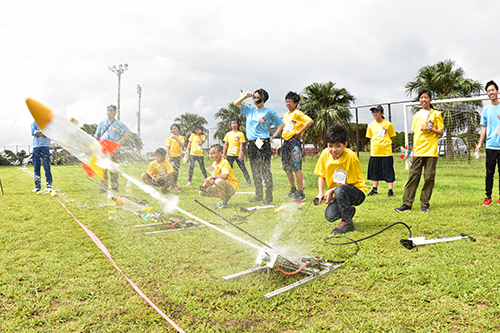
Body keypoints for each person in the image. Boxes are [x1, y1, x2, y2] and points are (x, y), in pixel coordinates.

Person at [395, 88, 444, 213]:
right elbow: (416, 134)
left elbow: (441, 132)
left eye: (426, 97)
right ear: (419, 100)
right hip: (418, 151)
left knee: (429, 178)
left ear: (430, 99)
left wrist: (430, 129)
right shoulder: (417, 115)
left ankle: (425, 204)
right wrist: (412, 151)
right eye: (421, 97)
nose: (423, 99)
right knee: (413, 177)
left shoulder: (436, 114)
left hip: (431, 152)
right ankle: (406, 204)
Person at [314, 124, 367, 234]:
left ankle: (347, 223)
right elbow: (321, 175)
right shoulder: (325, 154)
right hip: (339, 193)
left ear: (345, 144)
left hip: (356, 192)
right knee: (330, 216)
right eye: (330, 146)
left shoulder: (351, 157)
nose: (333, 150)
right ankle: (348, 211)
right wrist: (320, 193)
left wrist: (331, 191)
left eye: (338, 146)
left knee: (339, 190)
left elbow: (349, 183)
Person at [234, 88, 284, 205]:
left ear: (263, 99)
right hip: (252, 143)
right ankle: (258, 195)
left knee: (265, 170)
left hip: (263, 142)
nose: (255, 100)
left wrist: (273, 136)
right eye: (254, 98)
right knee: (255, 170)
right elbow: (236, 103)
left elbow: (281, 124)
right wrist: (246, 96)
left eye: (258, 98)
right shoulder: (249, 110)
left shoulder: (269, 112)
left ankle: (269, 197)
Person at [281, 91, 314, 202]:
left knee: (297, 168)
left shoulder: (298, 113)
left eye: (290, 101)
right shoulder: (286, 115)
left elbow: (310, 121)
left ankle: (301, 193)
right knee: (286, 168)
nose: (288, 103)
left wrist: (300, 132)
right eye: (286, 101)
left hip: (294, 142)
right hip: (285, 142)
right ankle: (293, 190)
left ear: (296, 103)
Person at [95, 104, 131, 192]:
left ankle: (115, 187)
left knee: (113, 168)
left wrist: (121, 141)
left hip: (114, 149)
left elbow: (128, 132)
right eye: (108, 110)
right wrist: (95, 145)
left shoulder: (118, 123)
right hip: (103, 149)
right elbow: (97, 135)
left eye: (111, 110)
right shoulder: (102, 123)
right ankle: (103, 187)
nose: (109, 112)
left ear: (115, 112)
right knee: (103, 168)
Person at [476, 80, 500, 206]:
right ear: (487, 94)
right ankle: (488, 197)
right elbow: (484, 127)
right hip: (491, 146)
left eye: (493, 90)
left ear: (497, 91)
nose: (491, 92)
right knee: (489, 174)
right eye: (489, 91)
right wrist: (480, 143)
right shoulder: (486, 110)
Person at [366, 105, 396, 197]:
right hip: (375, 152)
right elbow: (370, 137)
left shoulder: (388, 124)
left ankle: (390, 190)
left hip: (386, 152)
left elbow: (392, 136)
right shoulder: (371, 125)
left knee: (388, 170)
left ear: (382, 113)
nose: (375, 114)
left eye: (377, 112)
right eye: (373, 112)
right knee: (375, 171)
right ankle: (374, 190)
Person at [199, 144, 239, 209]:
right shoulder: (213, 164)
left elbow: (225, 176)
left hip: (231, 186)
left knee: (219, 181)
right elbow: (213, 180)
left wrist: (212, 177)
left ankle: (223, 203)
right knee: (202, 192)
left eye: (215, 153)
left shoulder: (224, 162)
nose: (213, 156)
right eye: (211, 154)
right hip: (222, 185)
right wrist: (206, 184)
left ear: (221, 152)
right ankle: (225, 197)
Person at [222, 119, 252, 187]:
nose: (233, 125)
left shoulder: (240, 134)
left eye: (234, 123)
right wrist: (223, 154)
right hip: (230, 155)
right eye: (232, 123)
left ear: (237, 124)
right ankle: (227, 183)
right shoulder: (228, 134)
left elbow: (241, 145)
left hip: (238, 155)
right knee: (228, 170)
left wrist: (241, 154)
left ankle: (249, 182)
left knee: (243, 168)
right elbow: (226, 144)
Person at [31, 121, 53, 192]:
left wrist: (39, 133)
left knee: (47, 167)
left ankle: (49, 186)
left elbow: (49, 133)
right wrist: (43, 132)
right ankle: (37, 186)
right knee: (36, 168)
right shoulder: (34, 123)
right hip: (36, 147)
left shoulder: (47, 123)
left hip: (45, 146)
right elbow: (33, 132)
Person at [165, 123, 185, 190]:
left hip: (178, 157)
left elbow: (182, 144)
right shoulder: (169, 138)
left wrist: (176, 138)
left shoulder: (181, 137)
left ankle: (174, 184)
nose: (173, 130)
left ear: (178, 129)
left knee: (176, 171)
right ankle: (171, 184)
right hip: (171, 157)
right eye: (172, 129)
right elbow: (168, 149)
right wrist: (168, 157)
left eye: (174, 128)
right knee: (172, 171)